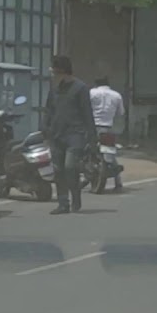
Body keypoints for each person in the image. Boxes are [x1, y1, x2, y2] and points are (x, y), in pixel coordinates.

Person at [43, 56, 96, 214]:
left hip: (75, 134)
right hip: (56, 134)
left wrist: (92, 138)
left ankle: (76, 195)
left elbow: (87, 113)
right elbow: (49, 110)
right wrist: (45, 127)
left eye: (53, 70)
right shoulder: (54, 89)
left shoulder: (80, 88)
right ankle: (63, 202)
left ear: (62, 71)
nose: (52, 73)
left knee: (70, 166)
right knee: (58, 170)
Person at [89, 76, 126, 191]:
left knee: (84, 148)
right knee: (111, 151)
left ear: (96, 84)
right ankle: (118, 181)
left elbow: (84, 107)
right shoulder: (116, 95)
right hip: (109, 127)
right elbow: (121, 112)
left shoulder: (92, 93)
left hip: (92, 126)